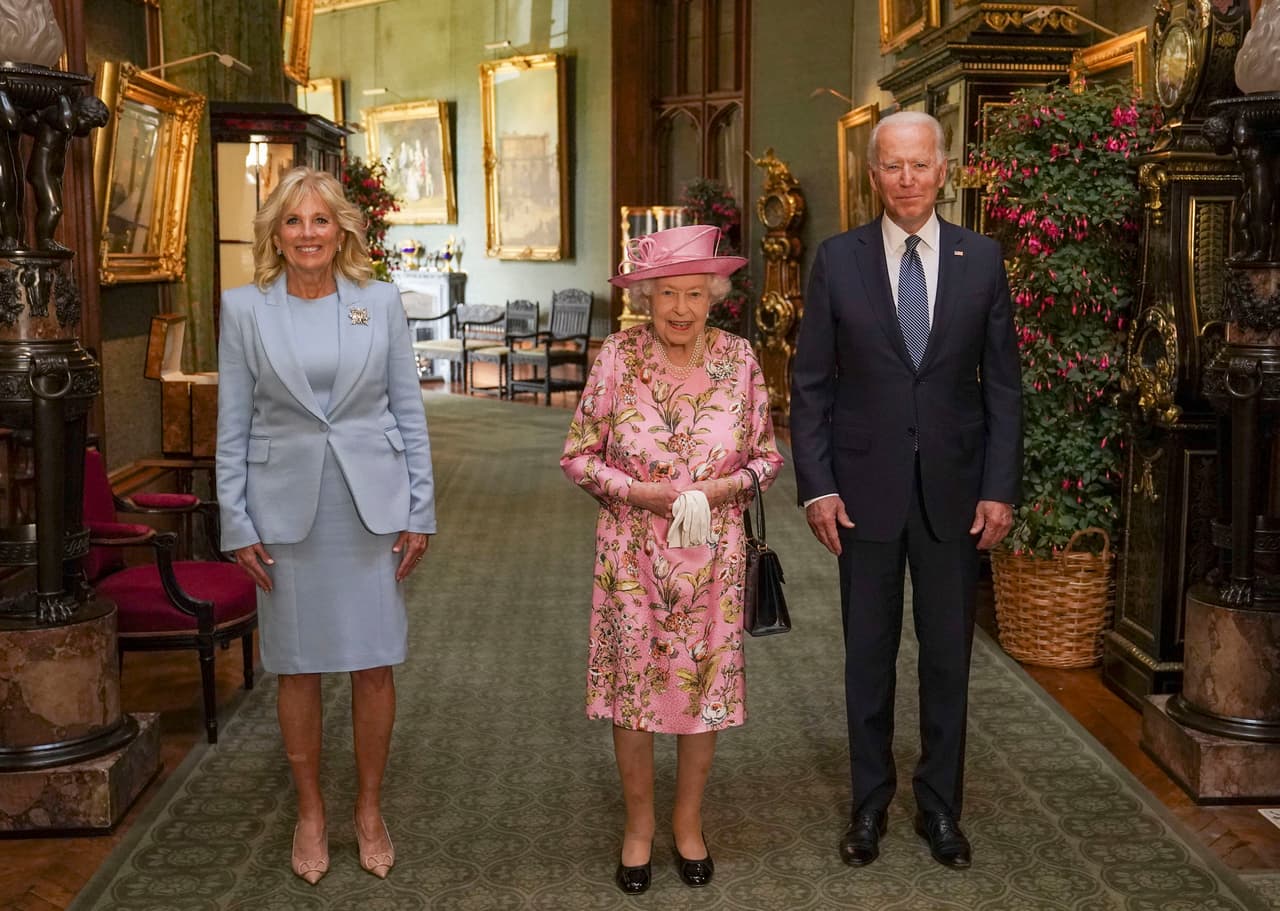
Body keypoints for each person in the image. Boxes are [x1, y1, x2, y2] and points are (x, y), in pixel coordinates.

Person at [790, 111, 1022, 870]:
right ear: (872, 172)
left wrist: (999, 487)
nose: (908, 179)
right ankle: (867, 807)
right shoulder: (837, 259)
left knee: (949, 660)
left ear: (944, 169)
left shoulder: (982, 259)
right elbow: (811, 385)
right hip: (863, 494)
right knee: (869, 658)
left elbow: (1004, 391)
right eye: (893, 166)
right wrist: (817, 487)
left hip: (957, 495)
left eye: (921, 165)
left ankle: (940, 809)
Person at [216, 166, 435, 885]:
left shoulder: (380, 302)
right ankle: (311, 809)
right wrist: (236, 520)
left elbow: (408, 411)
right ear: (275, 233)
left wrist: (419, 509)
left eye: (319, 220)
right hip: (285, 515)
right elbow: (234, 427)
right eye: (292, 221)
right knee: (298, 665)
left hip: (370, 509)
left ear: (341, 227)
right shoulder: (245, 309)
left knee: (374, 662)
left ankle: (368, 808)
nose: (307, 234)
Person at [561, 225, 783, 895]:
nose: (681, 308)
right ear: (646, 299)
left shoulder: (740, 359)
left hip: (713, 556)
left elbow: (768, 458)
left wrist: (717, 490)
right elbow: (577, 454)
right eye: (667, 295)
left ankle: (688, 823)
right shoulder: (616, 356)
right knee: (635, 693)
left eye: (694, 293)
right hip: (632, 555)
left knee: (701, 690)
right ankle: (638, 826)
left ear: (714, 295)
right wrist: (640, 492)